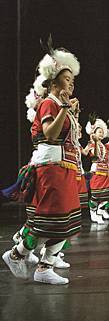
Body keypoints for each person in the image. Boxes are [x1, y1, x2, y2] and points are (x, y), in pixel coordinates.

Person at [3, 40, 81, 285]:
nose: (71, 83)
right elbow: (49, 134)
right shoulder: (49, 103)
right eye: (67, 79)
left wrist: (70, 113)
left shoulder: (61, 106)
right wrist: (64, 111)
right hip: (51, 169)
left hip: (64, 168)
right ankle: (18, 254)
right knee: (49, 219)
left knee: (66, 220)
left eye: (72, 79)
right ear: (54, 81)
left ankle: (44, 265)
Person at [85, 114, 109, 224]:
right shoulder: (93, 145)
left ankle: (100, 210)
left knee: (107, 195)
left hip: (106, 172)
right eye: (99, 132)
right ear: (94, 134)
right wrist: (96, 142)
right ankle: (93, 213)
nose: (101, 134)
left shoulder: (105, 146)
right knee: (96, 195)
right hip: (97, 171)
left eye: (102, 132)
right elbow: (96, 157)